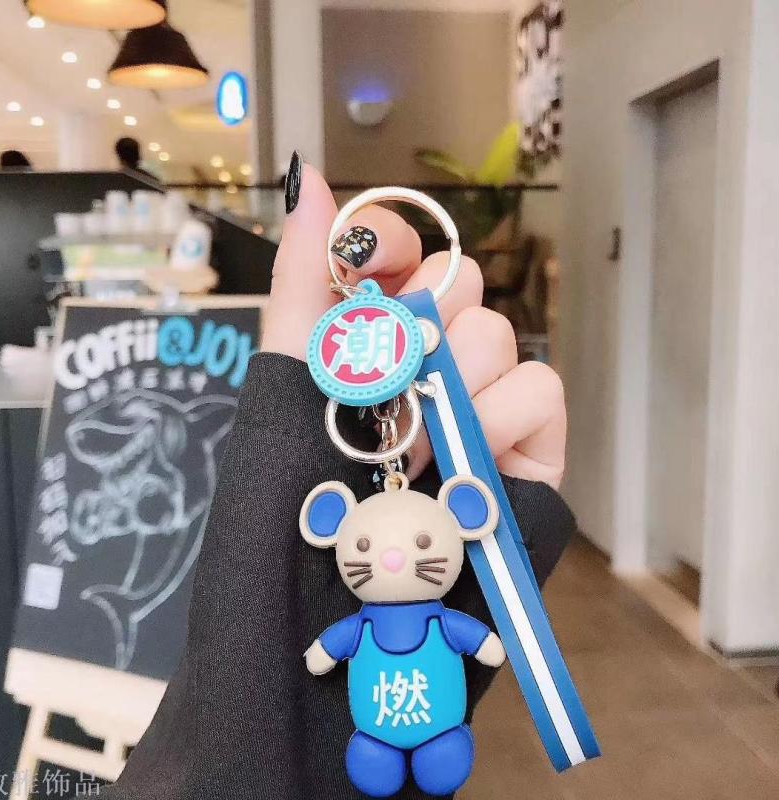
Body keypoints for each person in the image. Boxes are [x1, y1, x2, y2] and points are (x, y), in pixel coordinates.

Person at [96, 152, 575, 800]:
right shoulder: (315, 587)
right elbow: (331, 651)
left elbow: (457, 642)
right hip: (372, 735)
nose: (397, 556)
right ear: (327, 524)